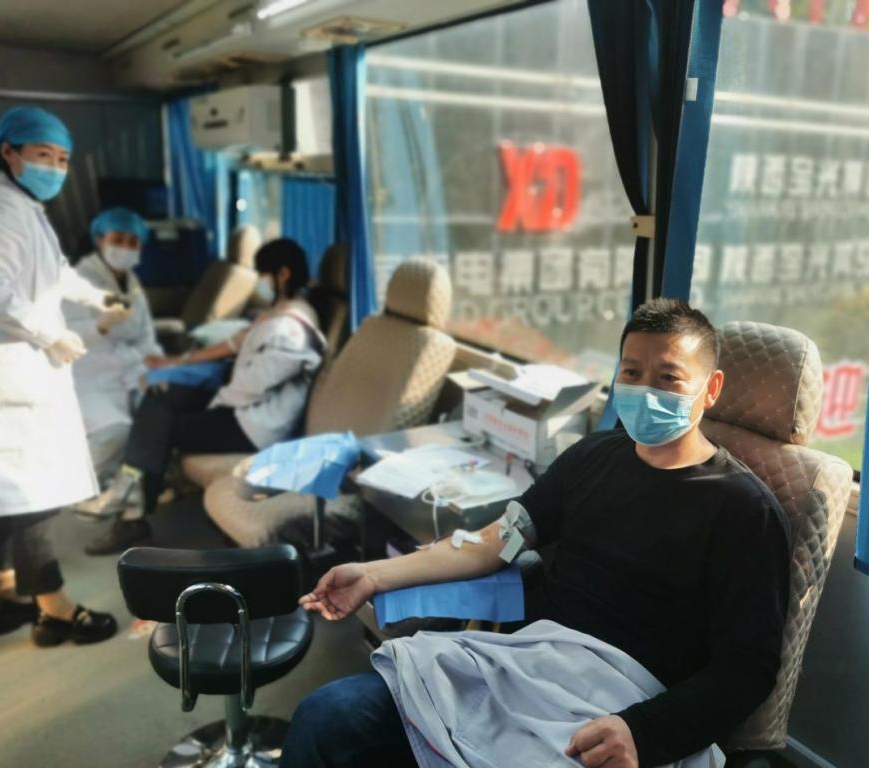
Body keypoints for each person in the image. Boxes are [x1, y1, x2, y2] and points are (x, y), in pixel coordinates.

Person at [282, 298, 790, 768]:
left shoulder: (745, 512)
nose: (645, 391)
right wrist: (374, 574)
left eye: (668, 377)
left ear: (711, 389)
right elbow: (497, 540)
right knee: (328, 716)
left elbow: (746, 669)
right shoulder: (591, 458)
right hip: (526, 667)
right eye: (632, 373)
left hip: (624, 707)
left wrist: (642, 731)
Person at [0, 106, 127, 646]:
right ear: (9, 153)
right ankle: (54, 610)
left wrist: (98, 298)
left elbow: (56, 276)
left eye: (62, 159)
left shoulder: (26, 211)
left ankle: (7, 594)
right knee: (31, 494)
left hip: (25, 372)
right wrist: (50, 334)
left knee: (9, 490)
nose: (54, 168)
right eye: (43, 155)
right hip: (8, 374)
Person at [84, 238, 327, 555]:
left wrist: (213, 402)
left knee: (158, 426)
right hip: (239, 406)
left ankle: (131, 514)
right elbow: (233, 345)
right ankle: (135, 490)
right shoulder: (276, 313)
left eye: (263, 274)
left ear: (283, 274)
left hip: (252, 426)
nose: (260, 281)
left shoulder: (290, 327)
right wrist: (175, 363)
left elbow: (255, 385)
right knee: (160, 397)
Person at [63, 207, 162, 501]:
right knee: (117, 431)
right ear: (99, 240)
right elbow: (65, 336)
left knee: (158, 414)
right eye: (118, 239)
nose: (125, 248)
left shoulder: (133, 283)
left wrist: (155, 366)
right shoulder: (78, 279)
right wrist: (99, 326)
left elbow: (146, 336)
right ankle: (72, 484)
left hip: (128, 370)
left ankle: (132, 485)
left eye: (133, 242)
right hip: (88, 374)